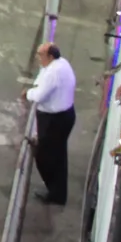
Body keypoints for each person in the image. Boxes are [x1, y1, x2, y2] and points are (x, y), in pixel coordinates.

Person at [25, 42, 77, 204]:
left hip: (54, 120)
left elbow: (39, 95)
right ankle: (58, 193)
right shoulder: (61, 64)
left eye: (41, 55)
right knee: (58, 156)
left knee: (45, 156)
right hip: (64, 115)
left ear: (50, 56)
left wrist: (28, 93)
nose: (38, 58)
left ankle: (55, 194)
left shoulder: (53, 72)